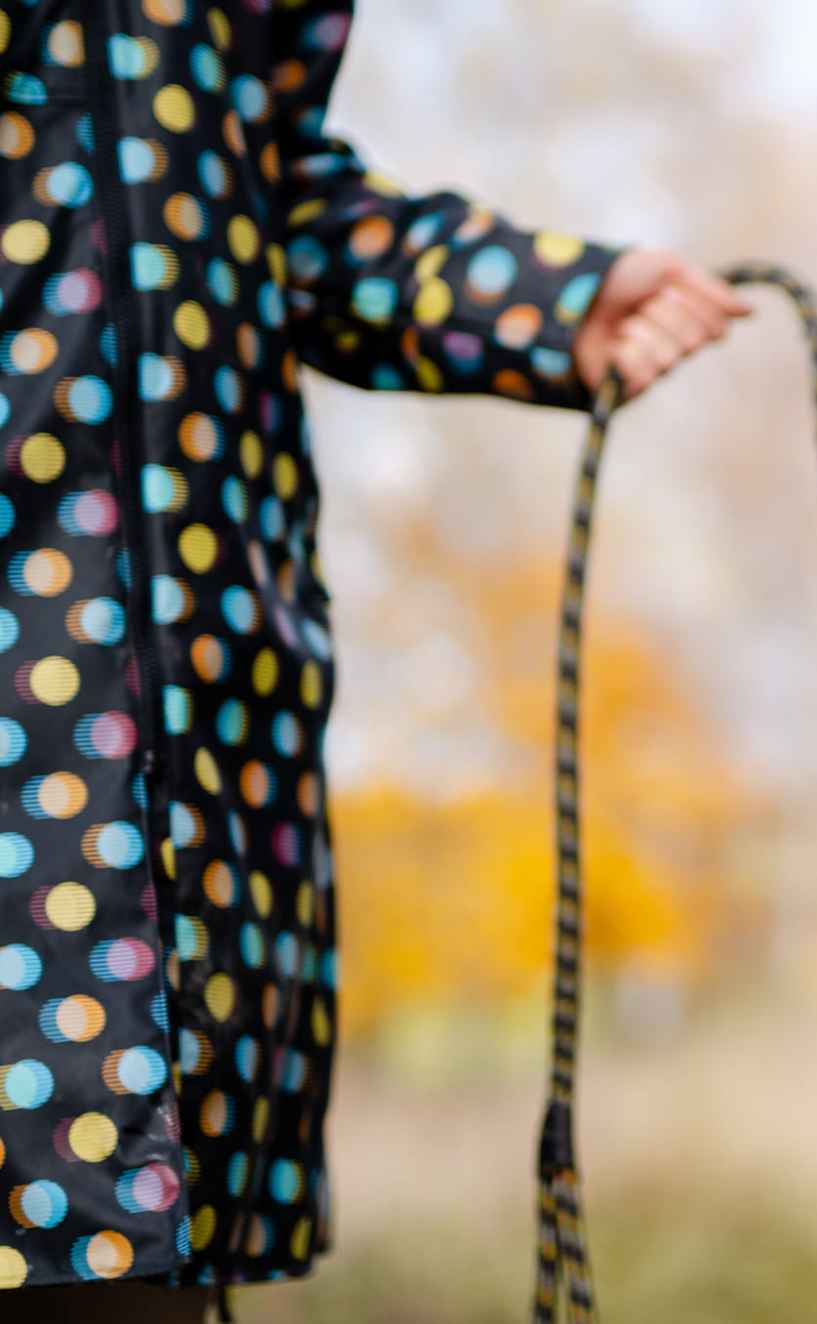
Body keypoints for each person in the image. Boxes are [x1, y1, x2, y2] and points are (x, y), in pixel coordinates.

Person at [0, 2, 747, 1316]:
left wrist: (538, 299)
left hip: (195, 778)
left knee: (126, 1253)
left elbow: (266, 193)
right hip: (33, 726)